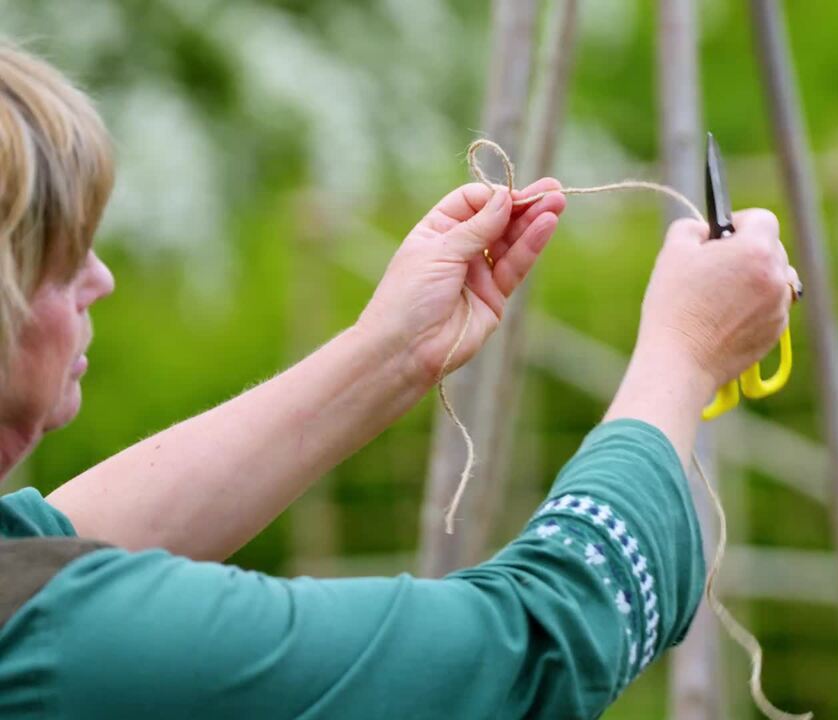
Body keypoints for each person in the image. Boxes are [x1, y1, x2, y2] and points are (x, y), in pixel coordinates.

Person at [0, 44, 797, 719]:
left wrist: (390, 352)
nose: (100, 278)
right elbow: (538, 645)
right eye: (60, 261)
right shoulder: (66, 650)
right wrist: (686, 351)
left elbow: (50, 544)